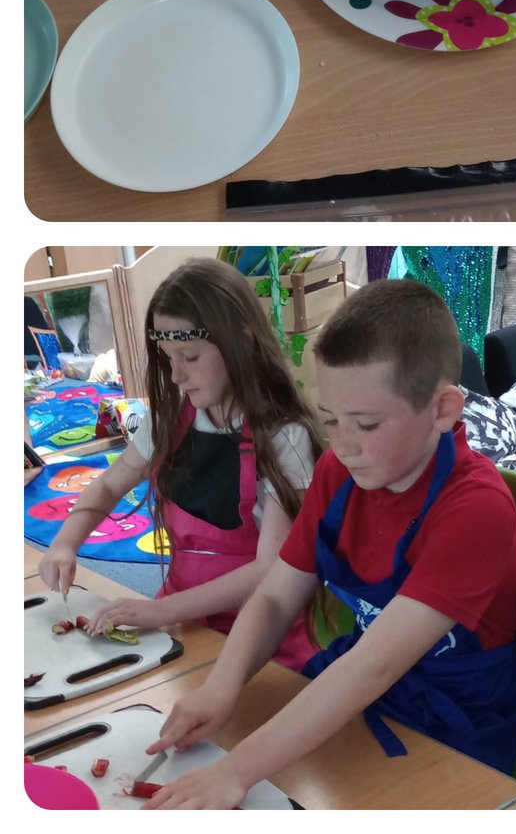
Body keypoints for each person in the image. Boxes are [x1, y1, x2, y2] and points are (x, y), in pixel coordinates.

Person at [142, 279, 516, 810]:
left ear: (443, 410)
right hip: (354, 695)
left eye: (366, 424)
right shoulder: (337, 472)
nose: (343, 446)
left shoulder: (477, 508)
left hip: (454, 722)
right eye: (330, 420)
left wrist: (236, 771)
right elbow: (277, 597)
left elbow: (374, 665)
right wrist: (222, 686)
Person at [39, 258, 322, 670]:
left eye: (189, 356)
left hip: (264, 636)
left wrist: (162, 612)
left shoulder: (284, 436)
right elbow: (106, 486)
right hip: (183, 618)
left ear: (242, 342)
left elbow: (270, 568)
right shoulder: (167, 422)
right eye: (169, 357)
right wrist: (65, 543)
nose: (175, 375)